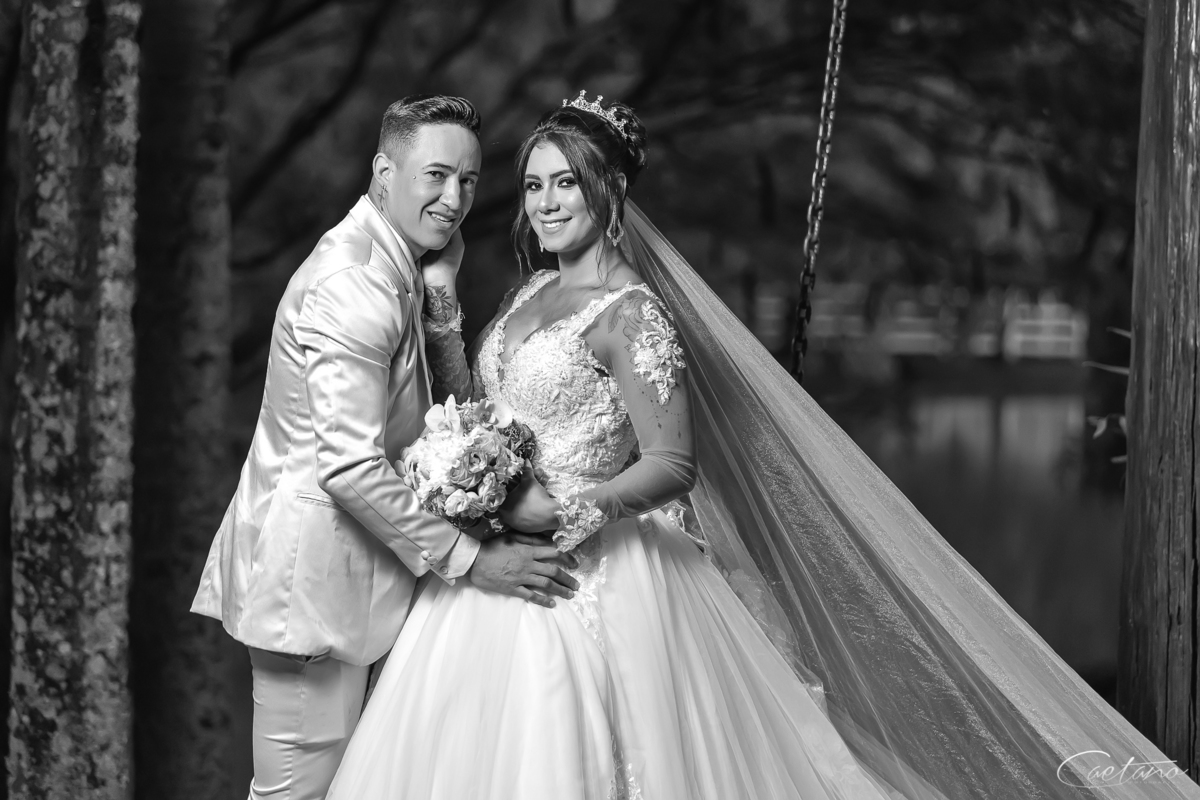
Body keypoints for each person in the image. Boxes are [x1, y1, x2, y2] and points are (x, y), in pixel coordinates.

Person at [327, 95, 1200, 800]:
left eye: (567, 185)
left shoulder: (631, 315)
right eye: (533, 186)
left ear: (611, 194)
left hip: (591, 563)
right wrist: (450, 344)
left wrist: (560, 512)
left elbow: (674, 464)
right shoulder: (528, 293)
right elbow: (491, 409)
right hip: (495, 559)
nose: (546, 204)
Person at [189, 95, 579, 800]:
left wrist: (440, 293)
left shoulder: (395, 263)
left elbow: (421, 420)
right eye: (436, 175)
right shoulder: (356, 283)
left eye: (468, 179)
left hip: (356, 586)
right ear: (383, 171)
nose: (454, 198)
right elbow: (350, 466)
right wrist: (473, 561)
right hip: (311, 594)